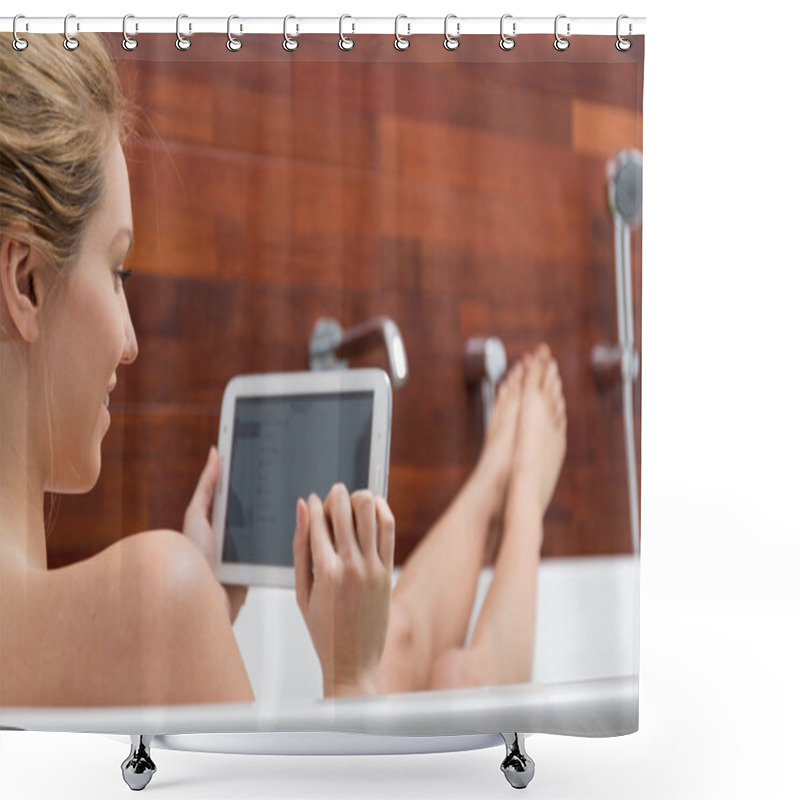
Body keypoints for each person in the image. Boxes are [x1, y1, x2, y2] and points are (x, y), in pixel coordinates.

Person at [0, 33, 566, 707]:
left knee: (405, 643)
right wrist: (348, 680)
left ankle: (495, 479)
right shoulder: (153, 601)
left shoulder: (123, 620)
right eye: (118, 271)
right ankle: (523, 490)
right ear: (25, 283)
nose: (130, 341)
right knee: (452, 678)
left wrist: (203, 619)